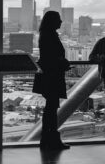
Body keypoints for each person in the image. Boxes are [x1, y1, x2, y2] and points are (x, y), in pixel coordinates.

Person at [33, 11, 71, 150]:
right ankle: (51, 139)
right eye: (59, 20)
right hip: (52, 76)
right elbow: (52, 57)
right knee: (51, 109)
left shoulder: (45, 35)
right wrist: (63, 63)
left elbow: (48, 56)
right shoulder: (50, 35)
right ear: (52, 21)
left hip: (48, 76)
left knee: (50, 109)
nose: (61, 22)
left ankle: (47, 139)